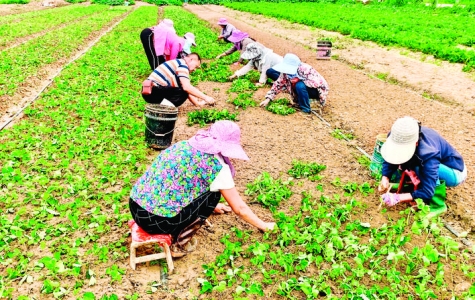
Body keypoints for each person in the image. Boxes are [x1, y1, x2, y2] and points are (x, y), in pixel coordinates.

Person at [129, 121, 276, 256]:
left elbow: (183, 183)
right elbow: (239, 208)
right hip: (157, 221)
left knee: (203, 189)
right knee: (213, 196)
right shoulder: (217, 167)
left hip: (136, 206)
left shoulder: (184, 145)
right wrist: (264, 226)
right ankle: (179, 244)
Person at [378, 116, 467, 216]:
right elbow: (392, 154)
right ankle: (412, 188)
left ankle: (438, 205)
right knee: (415, 165)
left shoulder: (428, 154)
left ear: (416, 143)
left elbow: (428, 191)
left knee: (420, 167)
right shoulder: (397, 136)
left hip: (454, 172)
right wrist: (385, 177)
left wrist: (398, 198)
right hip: (430, 162)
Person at [260, 53, 329, 114]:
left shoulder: (305, 69)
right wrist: (268, 99)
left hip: (316, 91)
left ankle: (306, 109)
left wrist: (299, 79)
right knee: (297, 85)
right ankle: (299, 102)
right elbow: (278, 84)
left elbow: (317, 83)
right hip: (303, 90)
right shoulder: (285, 73)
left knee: (299, 85)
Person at [142, 52, 215, 107]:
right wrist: (206, 98)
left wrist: (197, 103)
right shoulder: (183, 65)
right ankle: (164, 109)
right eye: (196, 66)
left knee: (182, 91)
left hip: (150, 92)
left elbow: (185, 88)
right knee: (183, 93)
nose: (195, 69)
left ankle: (161, 107)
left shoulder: (178, 63)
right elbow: (187, 88)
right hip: (154, 91)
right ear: (191, 60)